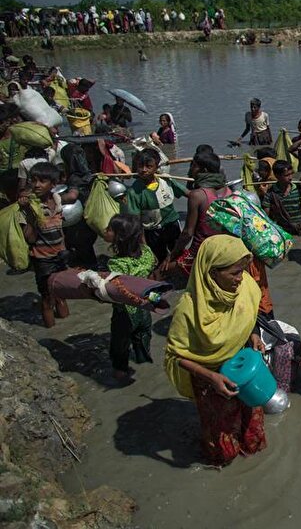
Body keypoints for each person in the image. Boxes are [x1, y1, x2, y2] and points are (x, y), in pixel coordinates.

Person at [164, 235, 267, 466]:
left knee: (253, 432)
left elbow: (249, 317)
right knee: (222, 441)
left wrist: (254, 335)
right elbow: (175, 355)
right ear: (211, 273)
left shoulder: (245, 287)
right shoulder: (190, 309)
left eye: (243, 270)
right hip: (212, 380)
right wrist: (212, 377)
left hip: (245, 370)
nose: (241, 278)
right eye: (234, 273)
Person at [18, 162, 77, 327]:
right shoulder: (29, 206)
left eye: (42, 181)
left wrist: (64, 249)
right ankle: (51, 331)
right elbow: (29, 238)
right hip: (42, 260)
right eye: (33, 180)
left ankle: (67, 328)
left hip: (59, 255)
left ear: (53, 184)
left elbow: (60, 230)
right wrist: (30, 214)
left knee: (62, 294)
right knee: (47, 298)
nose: (36, 185)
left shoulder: (56, 200)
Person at [104, 214, 155, 379]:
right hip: (144, 307)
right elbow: (153, 269)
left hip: (125, 313)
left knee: (120, 344)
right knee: (143, 334)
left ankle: (120, 372)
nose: (105, 231)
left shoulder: (116, 264)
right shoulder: (147, 253)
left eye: (109, 229)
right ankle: (143, 359)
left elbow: (116, 290)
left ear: (119, 237)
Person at [164, 150, 231, 275]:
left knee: (159, 273)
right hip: (225, 249)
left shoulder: (197, 195)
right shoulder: (229, 192)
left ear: (204, 170)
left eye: (193, 166)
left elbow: (187, 233)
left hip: (202, 252)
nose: (189, 171)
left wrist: (171, 256)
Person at [121, 148, 188, 263]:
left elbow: (188, 194)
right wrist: (144, 245)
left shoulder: (166, 180)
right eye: (140, 166)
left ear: (156, 166)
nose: (143, 170)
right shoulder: (134, 192)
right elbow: (137, 222)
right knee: (159, 259)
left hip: (172, 225)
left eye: (148, 166)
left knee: (179, 255)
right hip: (152, 231)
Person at [261, 160, 301, 236]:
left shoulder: (298, 187)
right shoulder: (271, 193)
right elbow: (265, 215)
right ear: (277, 176)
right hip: (282, 230)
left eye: (291, 174)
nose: (290, 178)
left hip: (300, 228)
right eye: (286, 175)